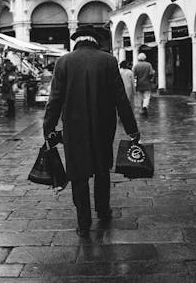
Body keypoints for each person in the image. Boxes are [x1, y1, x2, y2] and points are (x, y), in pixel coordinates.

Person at [43, 25, 140, 237]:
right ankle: (103, 210)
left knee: (78, 175)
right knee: (102, 170)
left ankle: (83, 221)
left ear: (77, 40)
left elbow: (55, 100)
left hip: (73, 129)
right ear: (96, 40)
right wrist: (132, 129)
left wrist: (48, 128)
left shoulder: (63, 62)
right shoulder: (108, 61)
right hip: (103, 128)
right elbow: (120, 99)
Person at [133, 52, 155, 116]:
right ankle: (145, 106)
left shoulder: (136, 66)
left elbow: (133, 74)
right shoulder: (148, 65)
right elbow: (151, 73)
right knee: (147, 96)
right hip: (147, 83)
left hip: (139, 84)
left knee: (140, 97)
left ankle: (141, 108)